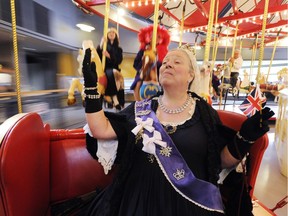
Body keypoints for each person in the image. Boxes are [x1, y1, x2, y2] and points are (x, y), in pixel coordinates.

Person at [81, 44, 274, 216]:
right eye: (165, 62)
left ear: (191, 75)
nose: (167, 65)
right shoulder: (141, 108)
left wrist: (245, 138)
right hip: (135, 198)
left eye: (177, 61)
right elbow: (101, 130)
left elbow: (221, 161)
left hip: (189, 203)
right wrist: (91, 88)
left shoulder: (204, 114)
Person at [97, 27, 124, 110]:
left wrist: (110, 56)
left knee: (114, 73)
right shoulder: (103, 47)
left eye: (113, 33)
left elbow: (119, 61)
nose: (111, 34)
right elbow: (97, 56)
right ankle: (114, 99)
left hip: (114, 67)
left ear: (116, 35)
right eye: (109, 33)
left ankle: (114, 98)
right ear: (107, 35)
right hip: (105, 68)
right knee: (108, 73)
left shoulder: (119, 49)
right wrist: (101, 45)